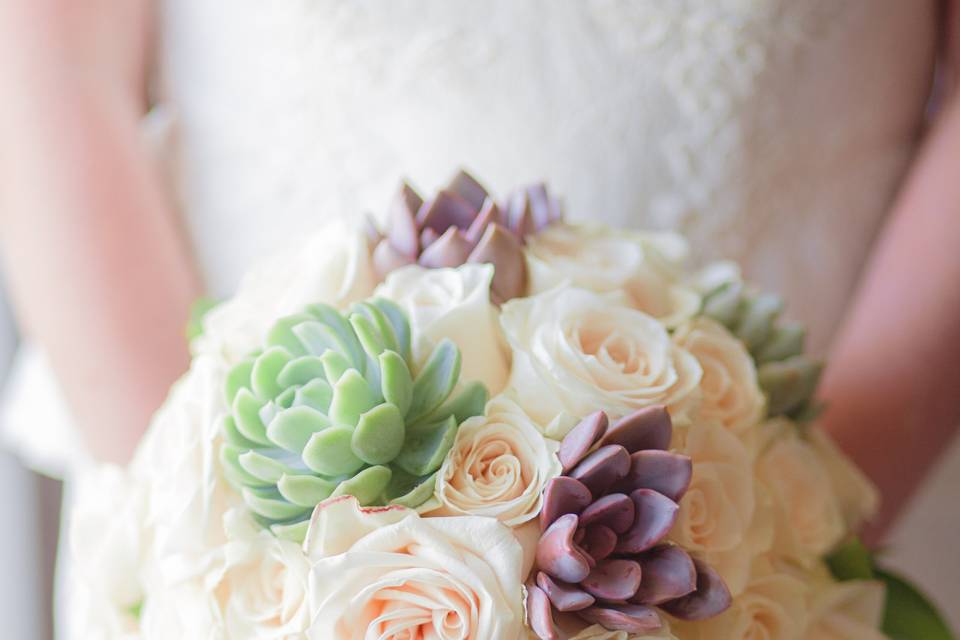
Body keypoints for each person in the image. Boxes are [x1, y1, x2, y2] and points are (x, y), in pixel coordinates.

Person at [0, 0, 958, 632]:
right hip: (192, 438)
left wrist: (792, 521)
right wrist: (200, 542)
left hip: (816, 442)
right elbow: (50, 68)